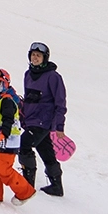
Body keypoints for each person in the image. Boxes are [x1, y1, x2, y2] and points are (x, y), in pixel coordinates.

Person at [0, 66, 37, 205]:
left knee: (3, 170)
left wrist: (3, 135)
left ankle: (25, 192)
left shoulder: (7, 101)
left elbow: (8, 120)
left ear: (5, 83)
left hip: (7, 141)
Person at [19, 41, 68, 196]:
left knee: (24, 145)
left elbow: (60, 102)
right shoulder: (28, 74)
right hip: (32, 120)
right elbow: (28, 99)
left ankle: (27, 185)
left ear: (44, 58)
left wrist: (59, 126)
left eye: (38, 55)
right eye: (33, 55)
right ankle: (56, 186)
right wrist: (23, 117)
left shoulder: (53, 77)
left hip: (43, 121)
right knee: (45, 149)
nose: (35, 58)